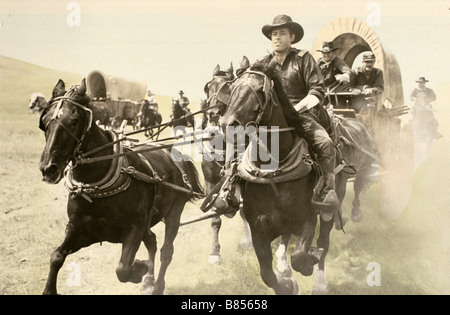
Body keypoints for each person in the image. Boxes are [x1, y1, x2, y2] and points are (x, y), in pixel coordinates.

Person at [259, 14, 339, 215]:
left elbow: (317, 90)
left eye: (282, 33)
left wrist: (295, 110)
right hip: (271, 120)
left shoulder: (304, 59)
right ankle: (231, 190)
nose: (277, 38)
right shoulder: (263, 63)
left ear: (292, 37)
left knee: (326, 144)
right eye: (274, 34)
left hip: (301, 116)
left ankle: (328, 190)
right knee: (242, 143)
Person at [317, 41, 352, 108]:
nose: (326, 55)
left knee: (340, 111)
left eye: (328, 53)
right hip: (323, 93)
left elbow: (347, 71)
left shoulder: (337, 61)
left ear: (332, 52)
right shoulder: (318, 62)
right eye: (324, 53)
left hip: (336, 93)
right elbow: (312, 73)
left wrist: (344, 76)